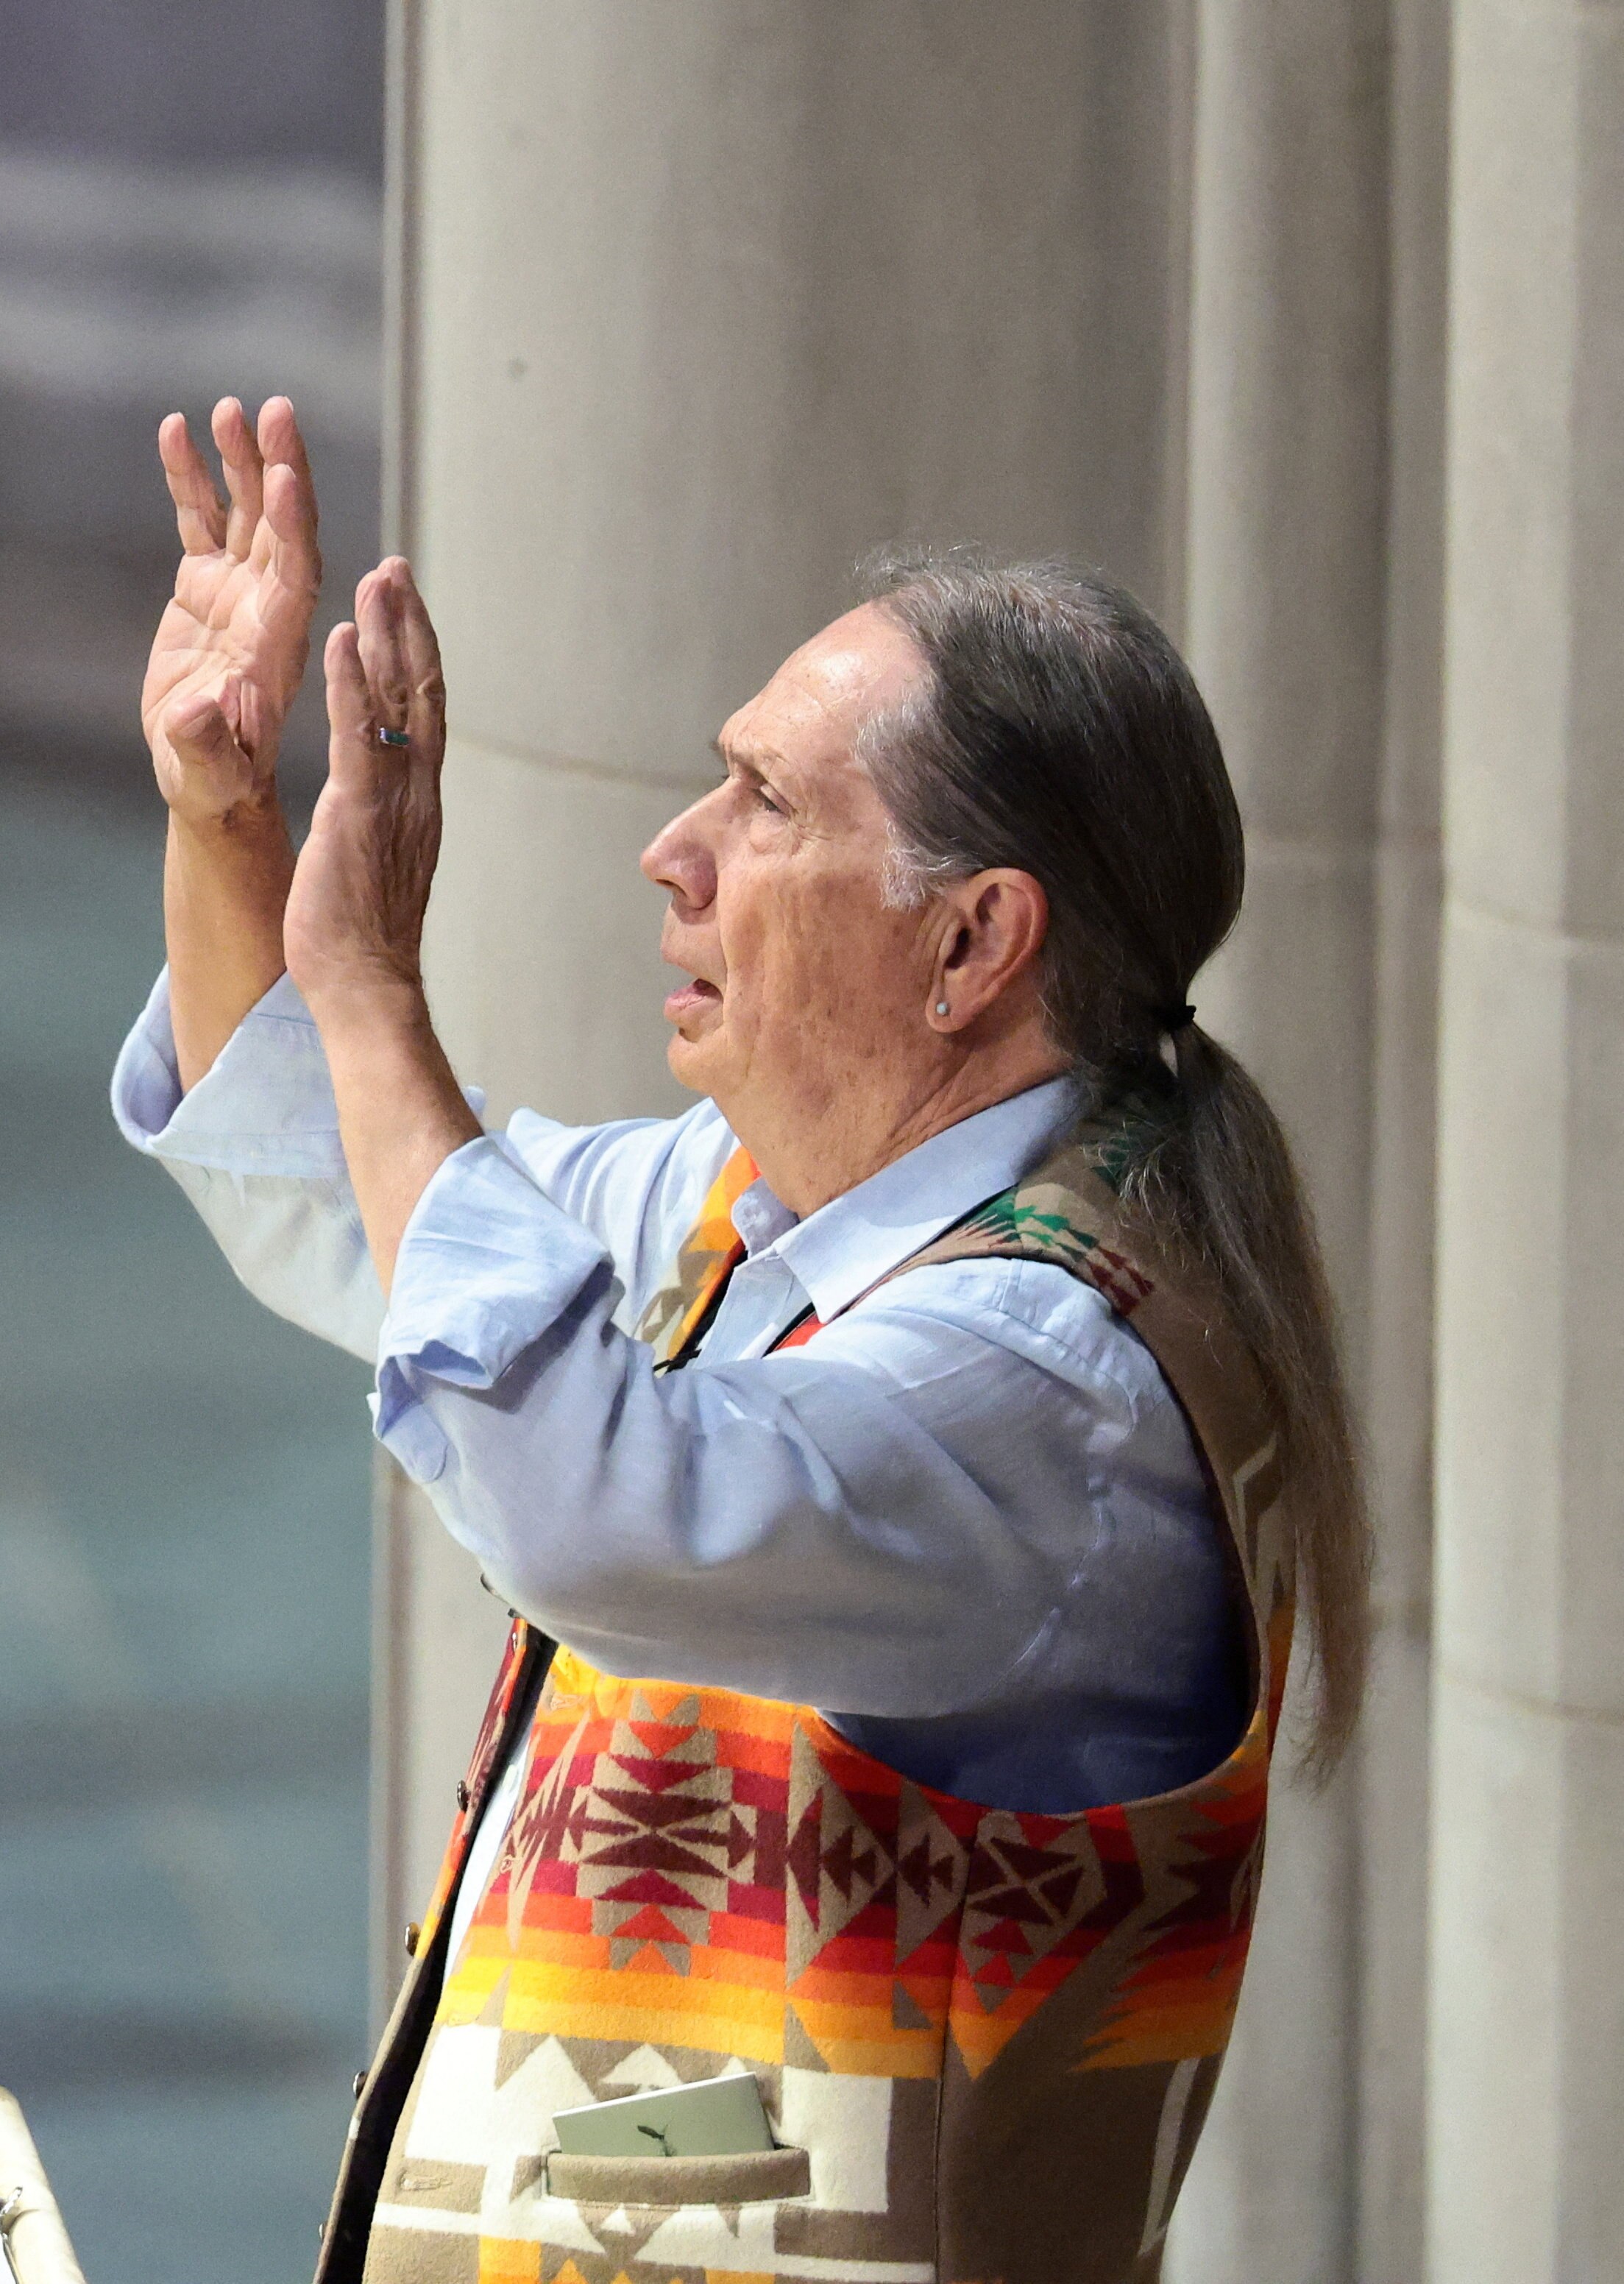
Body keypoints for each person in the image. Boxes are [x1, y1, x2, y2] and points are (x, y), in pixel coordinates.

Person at [113, 398, 1366, 2284]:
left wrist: (377, 985)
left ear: (972, 942)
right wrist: (229, 820)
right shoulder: (742, 1205)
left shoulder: (1054, 1382)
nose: (673, 853)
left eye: (766, 803)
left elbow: (603, 1511)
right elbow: (331, 1190)